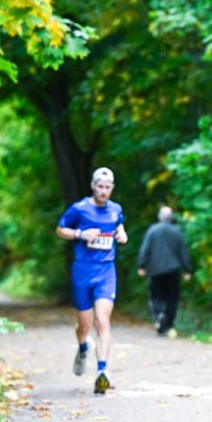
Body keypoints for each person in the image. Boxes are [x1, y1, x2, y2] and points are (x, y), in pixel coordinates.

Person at [56, 167, 128, 394]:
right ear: (93, 185)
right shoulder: (80, 209)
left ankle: (102, 372)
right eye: (100, 186)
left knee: (102, 320)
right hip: (83, 272)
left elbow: (119, 225)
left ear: (112, 188)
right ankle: (82, 346)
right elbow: (60, 230)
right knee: (84, 326)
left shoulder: (116, 209)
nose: (104, 191)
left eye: (108, 187)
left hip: (106, 272)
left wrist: (122, 234)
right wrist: (79, 234)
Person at [137, 206, 192, 337]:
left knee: (156, 295)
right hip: (173, 270)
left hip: (156, 270)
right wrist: (187, 270)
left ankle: (160, 314)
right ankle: (169, 325)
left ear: (159, 217)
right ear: (171, 217)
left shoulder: (153, 230)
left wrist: (141, 265)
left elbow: (145, 249)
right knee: (172, 298)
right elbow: (183, 251)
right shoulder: (176, 231)